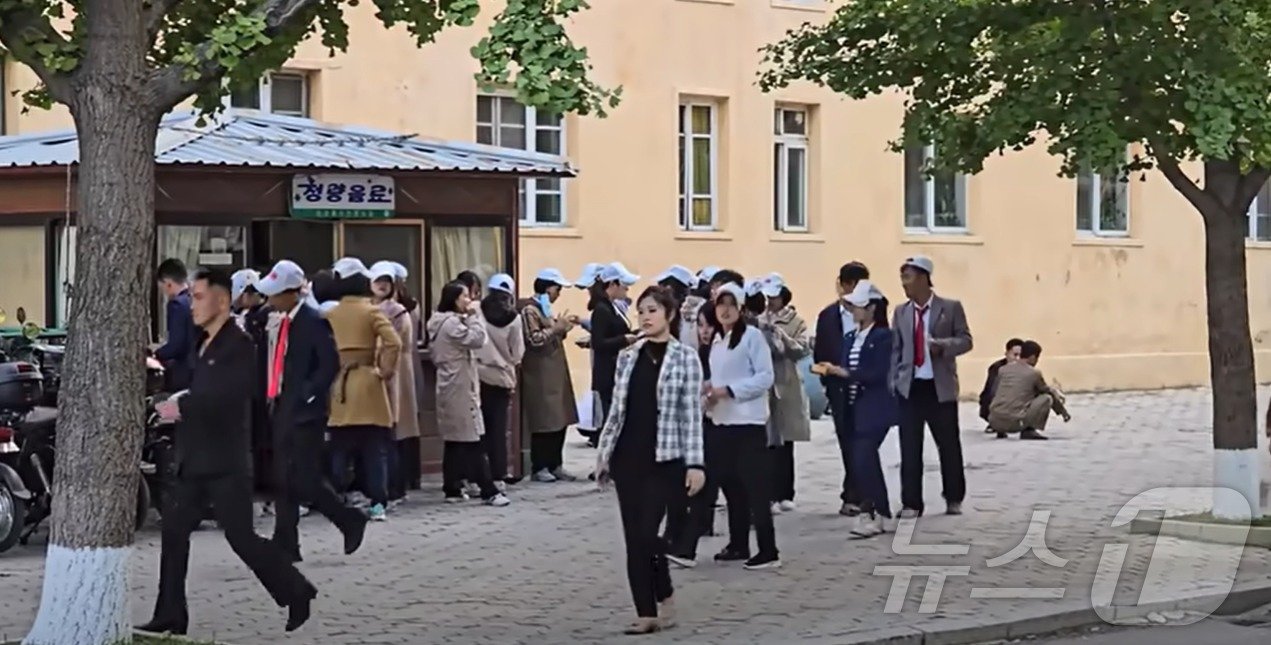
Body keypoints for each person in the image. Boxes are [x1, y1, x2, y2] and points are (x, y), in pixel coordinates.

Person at [138, 268, 316, 636]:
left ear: (221, 302)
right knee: (174, 532)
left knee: (241, 538)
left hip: (225, 461)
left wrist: (179, 407)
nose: (192, 305)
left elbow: (226, 398)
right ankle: (171, 613)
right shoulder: (204, 343)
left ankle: (296, 590)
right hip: (195, 458)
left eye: (199, 297)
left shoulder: (239, 344)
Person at [595, 286, 706, 634]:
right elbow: (617, 411)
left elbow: (691, 415)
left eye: (653, 310)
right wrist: (604, 453)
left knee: (649, 534)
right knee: (634, 537)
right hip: (628, 456)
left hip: (666, 457)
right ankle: (646, 612)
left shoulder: (686, 358)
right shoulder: (628, 356)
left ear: (669, 315)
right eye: (641, 310)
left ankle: (665, 589)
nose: (645, 316)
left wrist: (696, 464)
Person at [252, 260, 368, 561]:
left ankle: (347, 518)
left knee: (305, 477)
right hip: (279, 405)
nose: (270, 300)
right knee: (282, 476)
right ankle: (285, 540)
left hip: (306, 413)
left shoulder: (313, 320)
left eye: (275, 294)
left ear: (292, 293)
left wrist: (307, 395)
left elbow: (329, 364)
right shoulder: (275, 321)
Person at [705, 282, 779, 570]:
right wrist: (709, 391)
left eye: (731, 305)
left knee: (756, 489)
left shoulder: (752, 337)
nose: (725, 310)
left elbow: (765, 377)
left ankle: (768, 549)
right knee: (731, 486)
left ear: (741, 308)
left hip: (748, 422)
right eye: (720, 305)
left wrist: (730, 391)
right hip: (722, 421)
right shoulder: (717, 341)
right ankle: (738, 543)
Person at [891, 255, 973, 517]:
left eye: (908, 277)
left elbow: (966, 340)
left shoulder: (950, 307)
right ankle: (911, 502)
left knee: (948, 445)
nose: (904, 283)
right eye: (902, 278)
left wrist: (943, 346)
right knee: (909, 447)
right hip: (911, 387)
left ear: (924, 278)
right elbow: (896, 349)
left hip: (940, 387)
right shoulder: (901, 312)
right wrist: (894, 381)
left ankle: (954, 497)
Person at [325, 257, 402, 521]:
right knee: (375, 449)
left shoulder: (330, 313)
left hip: (341, 382)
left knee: (339, 446)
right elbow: (394, 342)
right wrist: (385, 370)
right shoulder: (371, 311)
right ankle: (378, 502)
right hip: (369, 381)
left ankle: (336, 498)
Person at [824, 280, 897, 538]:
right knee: (859, 460)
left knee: (864, 456)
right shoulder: (850, 338)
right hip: (852, 407)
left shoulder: (884, 337)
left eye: (858, 306)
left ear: (872, 308)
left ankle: (873, 511)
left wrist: (845, 373)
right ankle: (879, 511)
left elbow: (878, 372)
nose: (853, 310)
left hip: (875, 407)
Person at [428, 281, 511, 506]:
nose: (469, 300)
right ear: (454, 300)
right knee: (472, 438)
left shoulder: (440, 321)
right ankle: (488, 490)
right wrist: (475, 317)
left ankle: (452, 487)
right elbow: (478, 339)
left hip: (451, 383)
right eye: (465, 296)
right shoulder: (451, 324)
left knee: (455, 439)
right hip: (460, 386)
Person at [815, 261, 870, 516]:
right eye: (852, 285)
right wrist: (829, 379)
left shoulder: (871, 312)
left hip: (865, 386)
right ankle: (854, 493)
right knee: (847, 440)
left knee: (863, 441)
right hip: (838, 388)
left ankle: (856, 494)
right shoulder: (827, 316)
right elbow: (820, 353)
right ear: (843, 285)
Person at [756, 275, 811, 514]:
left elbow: (802, 349)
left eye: (775, 297)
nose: (770, 302)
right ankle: (767, 494)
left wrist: (782, 337)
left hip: (786, 384)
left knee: (786, 442)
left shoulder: (796, 321)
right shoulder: (758, 320)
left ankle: (785, 492)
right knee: (766, 442)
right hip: (765, 383)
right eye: (767, 297)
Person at [519, 268, 580, 482]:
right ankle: (540, 466)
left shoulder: (545, 309)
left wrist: (562, 329)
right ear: (546, 288)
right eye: (557, 289)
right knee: (544, 421)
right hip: (540, 374)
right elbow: (534, 339)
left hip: (555, 372)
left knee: (560, 418)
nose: (558, 294)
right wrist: (555, 329)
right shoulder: (530, 310)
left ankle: (556, 464)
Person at [369, 261, 421, 507]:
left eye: (386, 281)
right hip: (377, 374)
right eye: (377, 280)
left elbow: (392, 344)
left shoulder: (398, 312)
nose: (382, 285)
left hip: (395, 373)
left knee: (394, 431)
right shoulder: (369, 308)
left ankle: (395, 487)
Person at [477, 273, 525, 486]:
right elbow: (518, 353)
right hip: (501, 376)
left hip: (478, 373)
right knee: (498, 429)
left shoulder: (477, 309)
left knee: (478, 428)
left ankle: (477, 474)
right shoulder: (514, 318)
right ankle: (499, 474)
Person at [587, 262, 641, 452]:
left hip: (617, 370)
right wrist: (624, 339)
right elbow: (599, 342)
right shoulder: (602, 310)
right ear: (612, 285)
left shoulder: (612, 307)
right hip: (608, 373)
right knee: (610, 418)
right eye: (624, 285)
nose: (627, 289)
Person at [988, 340, 1071, 440]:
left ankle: (1001, 431)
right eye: (1037, 358)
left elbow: (994, 392)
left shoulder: (1003, 369)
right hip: (1015, 424)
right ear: (1032, 357)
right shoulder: (1034, 373)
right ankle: (1029, 430)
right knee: (1046, 398)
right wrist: (1063, 412)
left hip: (994, 421)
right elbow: (1047, 392)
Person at [155, 258, 196, 391]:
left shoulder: (177, 305)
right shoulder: (194, 300)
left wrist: (157, 354)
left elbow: (176, 345)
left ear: (168, 283)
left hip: (183, 372)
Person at [980, 338, 1024, 426]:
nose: (1017, 358)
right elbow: (993, 391)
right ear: (1007, 354)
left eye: (1021, 355)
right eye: (1015, 355)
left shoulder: (1026, 367)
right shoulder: (997, 368)